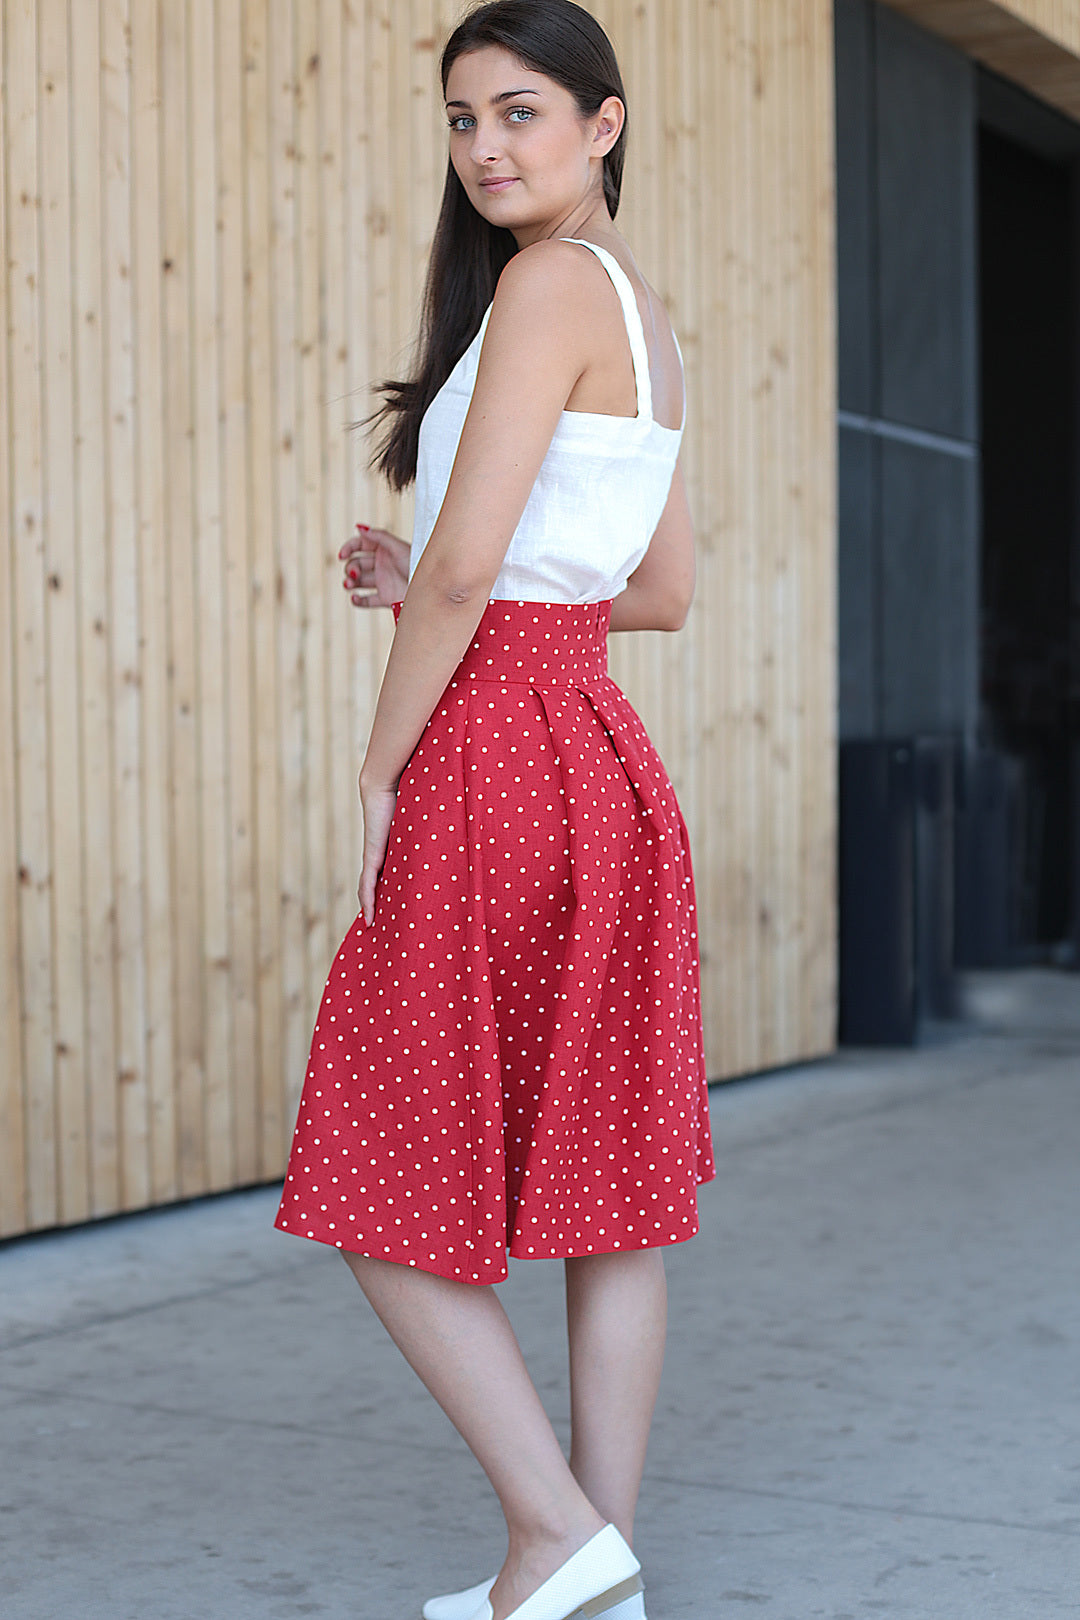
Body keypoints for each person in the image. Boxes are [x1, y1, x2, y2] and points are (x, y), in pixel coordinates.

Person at [274, 4, 715, 1617]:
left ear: (605, 122)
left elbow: (470, 565)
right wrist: (445, 596)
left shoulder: (542, 287)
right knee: (611, 1190)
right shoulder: (644, 316)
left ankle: (551, 1534)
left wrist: (385, 761)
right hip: (597, 749)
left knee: (370, 1158)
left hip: (496, 756)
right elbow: (650, 592)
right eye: (462, 121)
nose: (486, 149)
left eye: (520, 112)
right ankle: (595, 1568)